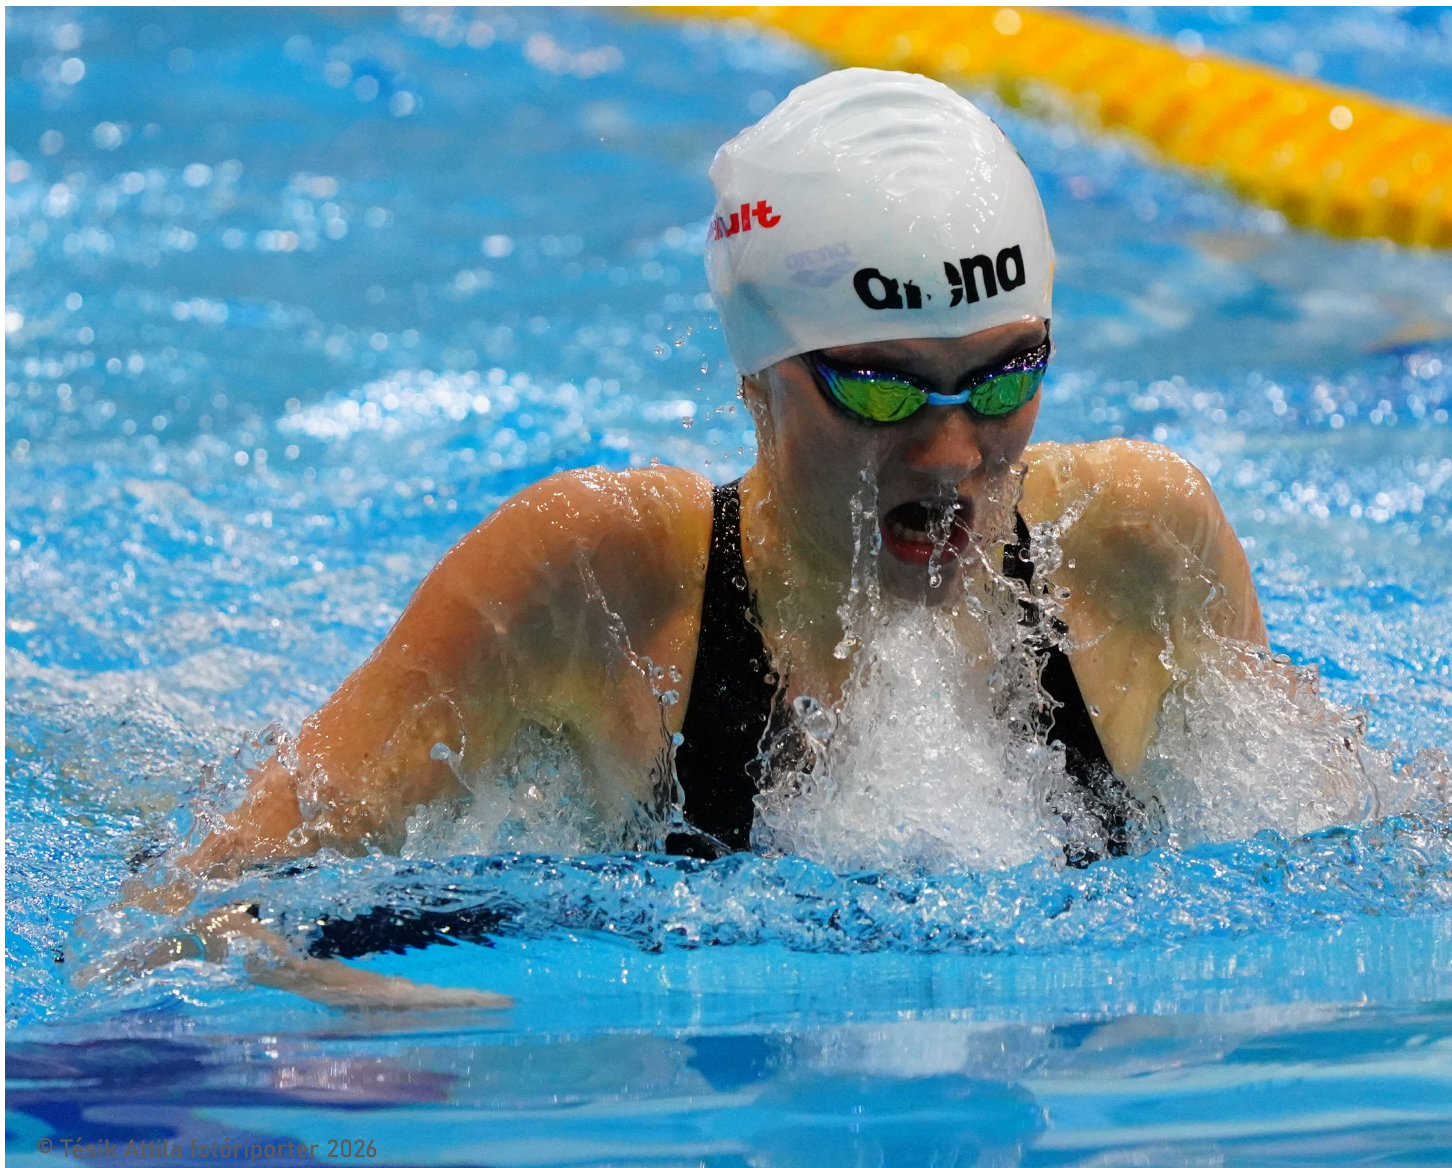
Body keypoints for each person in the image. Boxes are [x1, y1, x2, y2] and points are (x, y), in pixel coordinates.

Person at [83, 69, 1266, 1009]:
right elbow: (190, 905)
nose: (954, 452)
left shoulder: (1140, 547)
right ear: (757, 376)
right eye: (881, 388)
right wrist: (341, 1003)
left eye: (1004, 377)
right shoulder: (595, 584)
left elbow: (1327, 836)